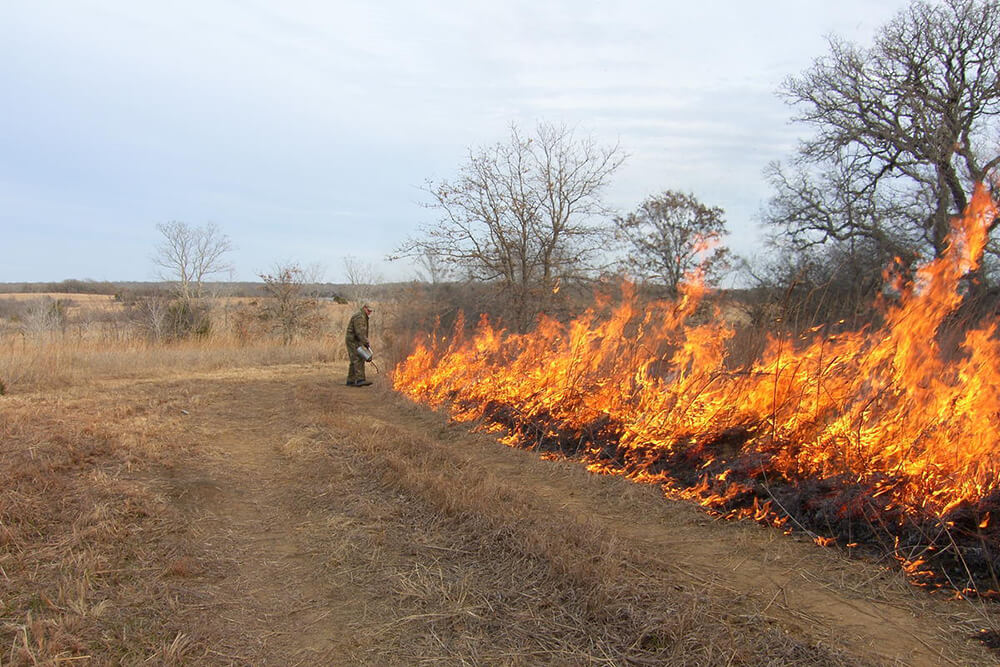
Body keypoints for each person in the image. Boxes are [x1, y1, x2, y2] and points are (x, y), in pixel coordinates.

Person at [345, 304, 373, 386]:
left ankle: (350, 381)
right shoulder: (360, 317)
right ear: (364, 308)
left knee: (354, 359)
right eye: (368, 310)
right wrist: (365, 342)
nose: (369, 312)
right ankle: (360, 380)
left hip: (357, 340)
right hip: (353, 340)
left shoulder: (363, 316)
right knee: (357, 358)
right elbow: (360, 332)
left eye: (371, 311)